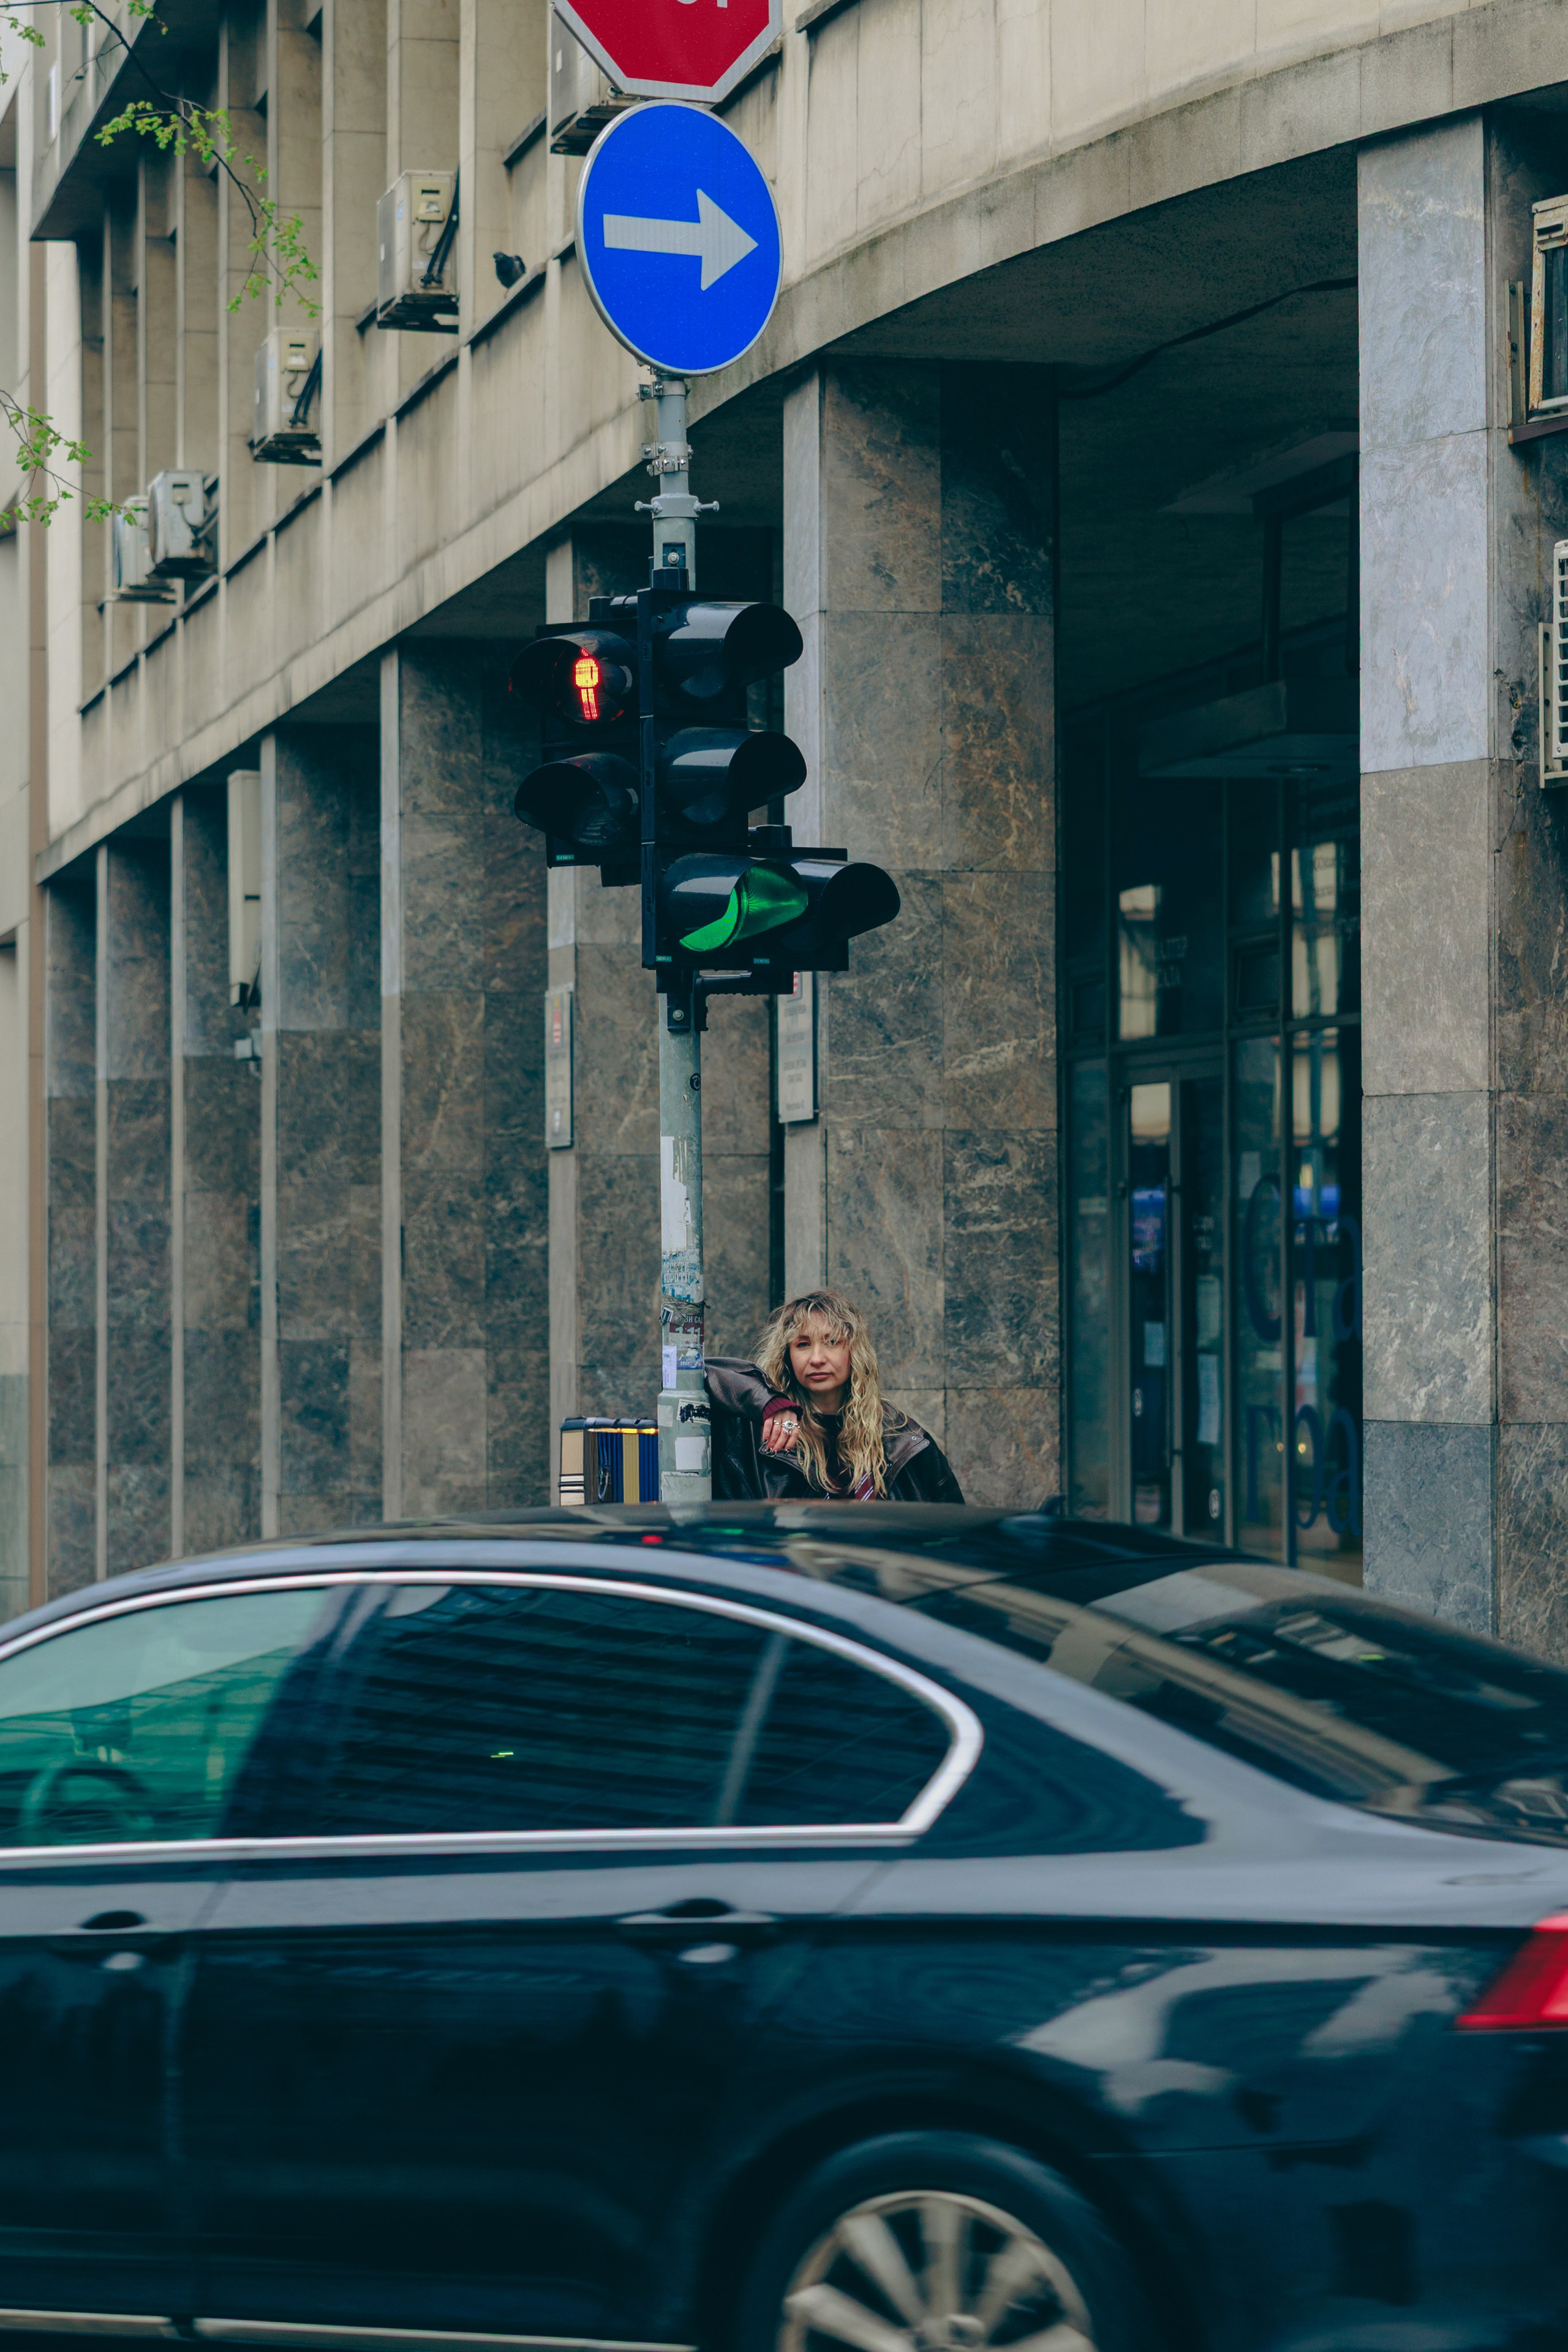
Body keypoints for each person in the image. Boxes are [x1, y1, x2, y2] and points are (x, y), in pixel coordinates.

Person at [706, 1289, 963, 1502]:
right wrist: (769, 1401)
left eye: (832, 1342)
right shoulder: (759, 1432)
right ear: (787, 1355)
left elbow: (953, 1528)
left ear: (854, 1351)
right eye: (803, 1345)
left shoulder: (904, 1438)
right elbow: (696, 1371)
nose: (817, 1359)